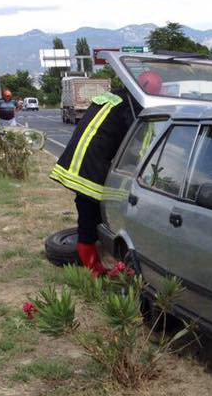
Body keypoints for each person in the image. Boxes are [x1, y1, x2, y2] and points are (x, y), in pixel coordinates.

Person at [49, 75, 153, 276]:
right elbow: (138, 150)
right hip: (92, 173)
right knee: (91, 225)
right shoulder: (134, 109)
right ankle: (96, 273)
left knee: (88, 216)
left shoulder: (114, 97)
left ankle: (97, 263)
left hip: (76, 164)